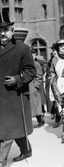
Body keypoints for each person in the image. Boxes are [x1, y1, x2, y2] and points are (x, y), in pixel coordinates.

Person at [0, 11, 36, 166]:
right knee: (14, 127)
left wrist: (17, 79)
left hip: (14, 95)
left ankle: (1, 161)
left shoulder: (22, 48)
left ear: (12, 31)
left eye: (5, 30)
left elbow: (31, 71)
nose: (2, 33)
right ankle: (26, 149)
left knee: (6, 131)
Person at [30, 48, 45, 128]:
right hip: (27, 87)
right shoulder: (25, 63)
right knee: (29, 106)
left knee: (36, 105)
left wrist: (35, 86)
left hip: (33, 87)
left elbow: (39, 76)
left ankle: (41, 120)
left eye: (33, 53)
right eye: (30, 54)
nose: (32, 55)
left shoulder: (36, 64)